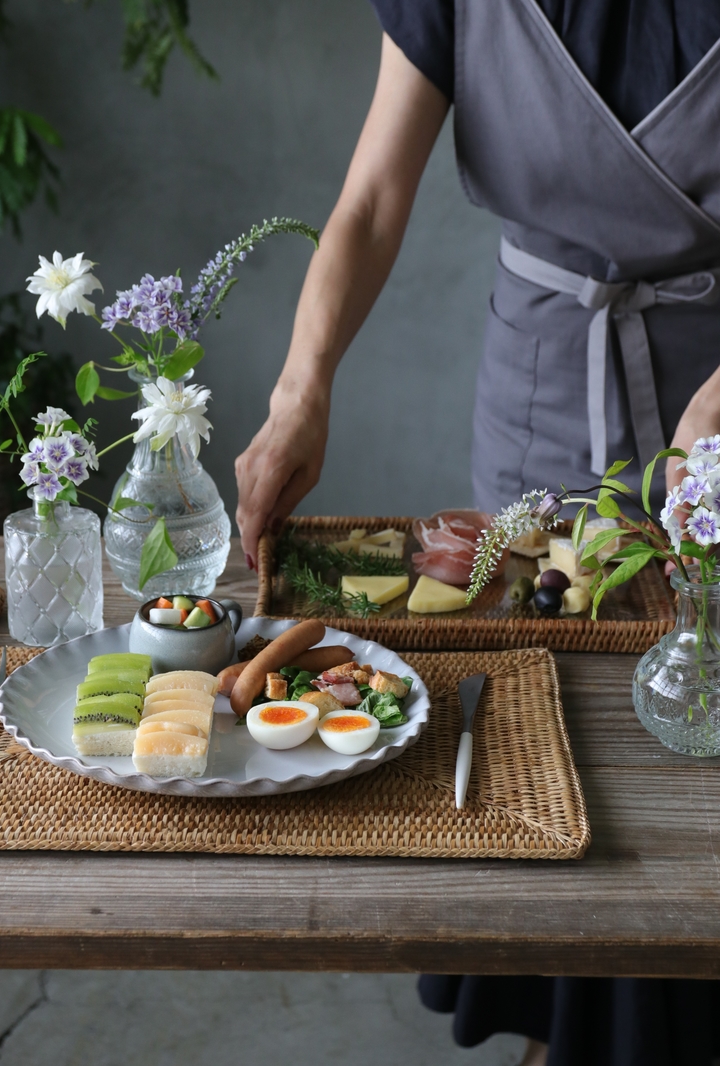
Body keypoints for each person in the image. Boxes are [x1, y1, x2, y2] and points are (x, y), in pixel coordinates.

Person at [235, 3, 720, 1064]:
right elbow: (371, 199)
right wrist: (300, 390)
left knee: (694, 757)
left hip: (710, 411)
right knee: (544, 737)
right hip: (539, 400)